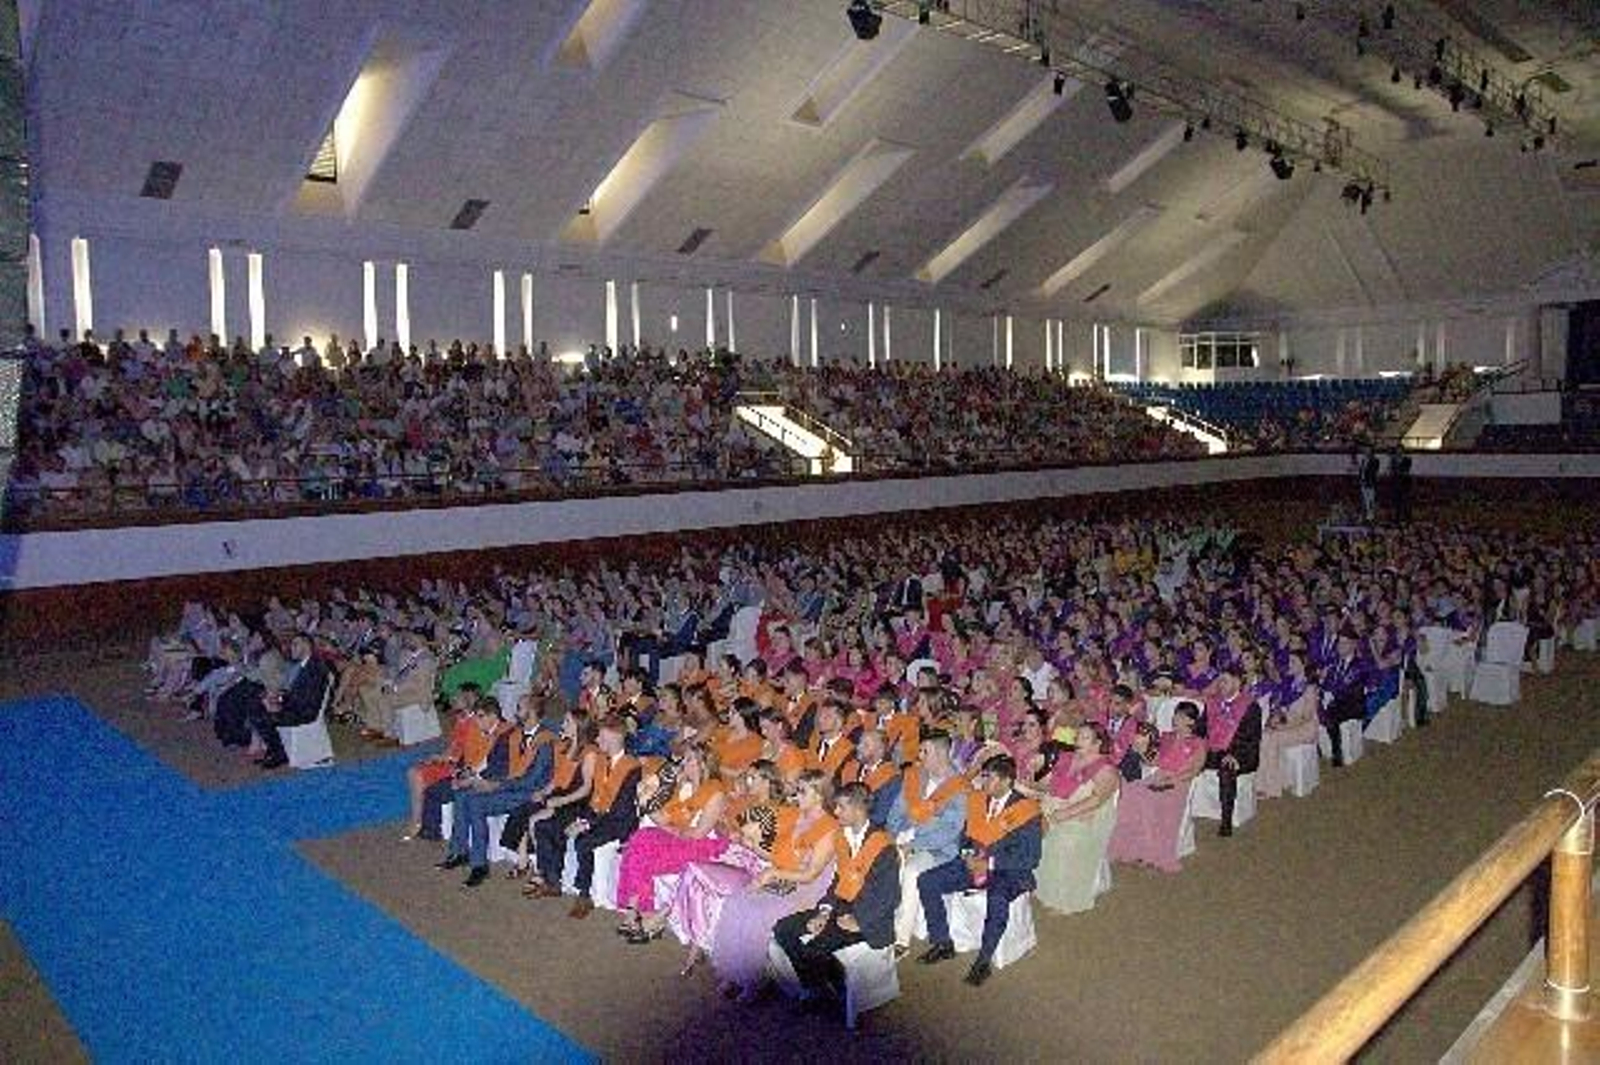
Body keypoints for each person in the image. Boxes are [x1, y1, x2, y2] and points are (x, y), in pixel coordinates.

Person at [710, 770, 838, 1000]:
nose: (795, 796)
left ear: (819, 796)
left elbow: (810, 875)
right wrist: (753, 846)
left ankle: (753, 981)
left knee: (757, 915)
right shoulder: (793, 817)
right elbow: (776, 856)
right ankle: (734, 974)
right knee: (735, 903)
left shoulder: (829, 828)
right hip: (781, 877)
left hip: (806, 889)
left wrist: (773, 873)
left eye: (802, 791)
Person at [917, 755, 1043, 987]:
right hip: (972, 862)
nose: (982, 782)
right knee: (927, 881)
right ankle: (942, 943)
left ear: (1006, 781)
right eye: (983, 776)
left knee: (997, 898)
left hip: (1007, 870)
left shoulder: (1027, 810)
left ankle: (983, 961)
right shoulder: (977, 801)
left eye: (989, 778)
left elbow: (1030, 857)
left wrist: (990, 864)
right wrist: (967, 856)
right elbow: (965, 837)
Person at [771, 782, 900, 1008]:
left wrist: (859, 921)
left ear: (858, 809)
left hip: (869, 917)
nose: (835, 812)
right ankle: (820, 984)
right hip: (841, 907)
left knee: (813, 947)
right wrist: (824, 911)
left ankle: (822, 987)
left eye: (840, 807)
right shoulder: (842, 836)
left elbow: (889, 897)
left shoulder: (883, 846)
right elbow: (838, 881)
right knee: (783, 928)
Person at [667, 761, 784, 976]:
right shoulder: (744, 801)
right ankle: (697, 946)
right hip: (731, 855)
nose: (748, 782)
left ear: (767, 782)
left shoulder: (776, 810)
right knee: (693, 879)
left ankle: (672, 926)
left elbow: (769, 849)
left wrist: (740, 836)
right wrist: (731, 832)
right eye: (748, 777)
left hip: (754, 866)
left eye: (753, 778)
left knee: (694, 870)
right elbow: (721, 828)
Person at [615, 743, 729, 943]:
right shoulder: (683, 786)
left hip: (700, 843)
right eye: (685, 759)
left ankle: (650, 917)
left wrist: (667, 827)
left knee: (644, 852)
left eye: (689, 759)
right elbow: (666, 818)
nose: (683, 763)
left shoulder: (715, 792)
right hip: (676, 834)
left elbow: (698, 833)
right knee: (639, 841)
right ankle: (635, 910)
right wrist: (647, 802)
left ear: (703, 764)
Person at [529, 716, 641, 918]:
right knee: (546, 826)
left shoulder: (632, 768)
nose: (596, 740)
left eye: (601, 736)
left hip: (619, 822)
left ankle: (584, 894)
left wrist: (587, 824)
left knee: (584, 841)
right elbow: (592, 797)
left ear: (615, 737)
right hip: (594, 813)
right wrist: (581, 819)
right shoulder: (601, 760)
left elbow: (620, 809)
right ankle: (552, 880)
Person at [884, 730, 970, 956]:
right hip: (904, 836)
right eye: (920, 750)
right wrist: (891, 834)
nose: (920, 756)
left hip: (936, 848)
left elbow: (951, 831)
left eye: (925, 751)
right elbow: (897, 808)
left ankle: (900, 940)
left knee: (912, 872)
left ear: (942, 753)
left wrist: (914, 844)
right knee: (880, 859)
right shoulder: (916, 775)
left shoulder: (958, 787)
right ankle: (879, 920)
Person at [1107, 703, 1207, 872]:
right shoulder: (1167, 737)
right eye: (1176, 715)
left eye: (1182, 717)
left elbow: (1193, 770)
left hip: (1178, 783)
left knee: (1149, 800)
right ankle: (1136, 847)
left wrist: (1171, 780)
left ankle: (1151, 852)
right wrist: (1142, 751)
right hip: (1158, 775)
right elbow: (1154, 761)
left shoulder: (1198, 743)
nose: (1176, 719)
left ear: (1192, 721)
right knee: (1130, 794)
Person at [1032, 723, 1120, 915]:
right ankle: (1043, 887)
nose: (1077, 740)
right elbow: (1047, 784)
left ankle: (1065, 897)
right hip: (1054, 807)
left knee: (1065, 840)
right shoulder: (1066, 758)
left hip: (1084, 815)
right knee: (1030, 831)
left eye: (1084, 737)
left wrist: (1065, 813)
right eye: (1077, 736)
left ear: (1098, 743)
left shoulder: (1106, 769)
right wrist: (1034, 774)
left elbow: (1097, 799)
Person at [242, 634, 331, 769]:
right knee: (255, 705)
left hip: (305, 713)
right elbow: (296, 694)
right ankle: (275, 750)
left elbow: (308, 701)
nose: (291, 648)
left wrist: (279, 706)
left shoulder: (315, 668)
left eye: (295, 644)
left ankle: (279, 753)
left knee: (262, 717)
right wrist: (277, 699)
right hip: (297, 707)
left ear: (306, 646)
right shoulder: (304, 665)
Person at [1201, 665, 1261, 837]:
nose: (1220, 685)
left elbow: (1250, 738)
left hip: (1242, 753)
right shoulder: (1213, 702)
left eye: (1224, 681)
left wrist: (1235, 755)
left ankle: (1226, 820)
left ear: (1237, 682)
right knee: (1187, 758)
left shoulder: (1250, 706)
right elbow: (1201, 728)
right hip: (1214, 749)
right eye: (1220, 681)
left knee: (1227, 769)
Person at [1255, 651, 1321, 799]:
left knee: (1271, 739)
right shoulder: (1290, 682)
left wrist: (1282, 726)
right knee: (1264, 736)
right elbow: (1282, 707)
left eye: (1293, 662)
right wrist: (1275, 718)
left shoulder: (1309, 687)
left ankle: (1272, 788)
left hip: (1306, 728)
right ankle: (1263, 782)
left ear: (1303, 665)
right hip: (1289, 723)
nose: (1289, 665)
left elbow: (1306, 717)